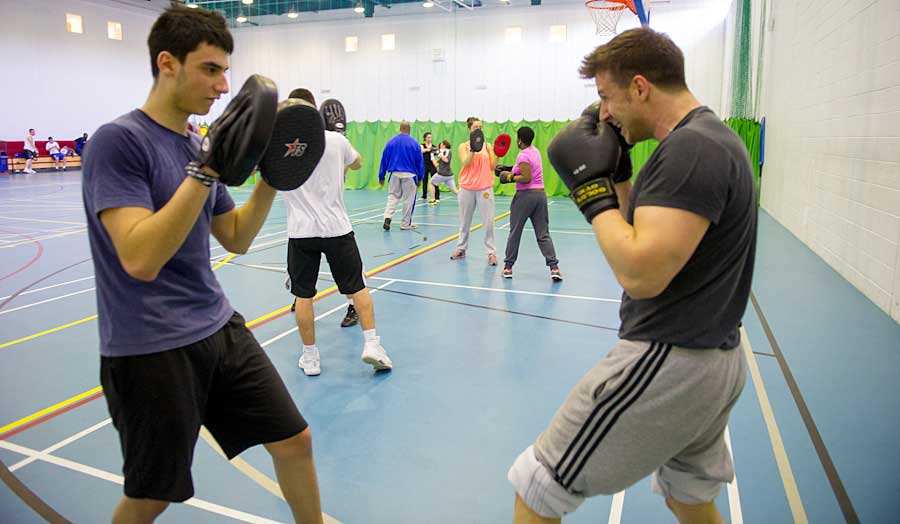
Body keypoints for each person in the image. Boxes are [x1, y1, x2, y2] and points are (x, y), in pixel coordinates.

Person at [81, 5, 323, 524]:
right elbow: (140, 257)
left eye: (225, 72)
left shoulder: (195, 143)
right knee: (153, 493)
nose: (222, 85)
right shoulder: (118, 142)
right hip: (149, 346)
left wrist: (270, 178)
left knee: (294, 439)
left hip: (215, 325)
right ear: (167, 63)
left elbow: (234, 237)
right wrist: (206, 169)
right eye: (210, 69)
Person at [508, 27, 756, 524]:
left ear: (640, 87)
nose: (603, 113)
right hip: (713, 359)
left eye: (606, 97)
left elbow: (640, 274)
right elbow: (643, 234)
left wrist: (589, 192)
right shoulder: (703, 140)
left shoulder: (693, 150)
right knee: (689, 495)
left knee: (538, 484)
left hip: (670, 357)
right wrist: (618, 177)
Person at [283, 88, 392, 376]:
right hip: (337, 229)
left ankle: (311, 358)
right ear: (314, 110)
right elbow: (357, 163)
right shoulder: (335, 140)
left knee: (303, 296)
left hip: (300, 232)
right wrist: (339, 154)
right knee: (357, 286)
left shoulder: (281, 145)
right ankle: (371, 344)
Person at [496, 126, 561, 281]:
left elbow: (526, 177)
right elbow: (524, 169)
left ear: (519, 140)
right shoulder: (535, 151)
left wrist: (509, 178)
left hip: (525, 197)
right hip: (540, 196)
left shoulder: (523, 155)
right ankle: (554, 268)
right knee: (543, 234)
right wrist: (507, 168)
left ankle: (507, 267)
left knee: (515, 232)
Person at [450, 117, 497, 265]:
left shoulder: (488, 146)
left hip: (484, 188)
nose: (479, 130)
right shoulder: (463, 146)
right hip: (467, 189)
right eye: (476, 127)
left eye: (481, 127)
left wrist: (497, 154)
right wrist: (473, 149)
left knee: (488, 222)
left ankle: (491, 253)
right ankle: (461, 249)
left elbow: (492, 166)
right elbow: (466, 162)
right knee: (465, 221)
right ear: (469, 129)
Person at [379, 120, 424, 231]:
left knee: (392, 197)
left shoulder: (391, 142)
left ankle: (388, 217)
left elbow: (384, 159)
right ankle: (405, 224)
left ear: (400, 128)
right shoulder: (415, 143)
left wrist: (381, 175)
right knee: (408, 200)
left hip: (394, 174)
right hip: (410, 175)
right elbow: (420, 162)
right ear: (409, 130)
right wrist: (420, 178)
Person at [428, 139, 458, 205]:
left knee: (431, 183)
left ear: (444, 145)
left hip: (442, 174)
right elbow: (436, 164)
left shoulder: (448, 151)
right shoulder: (442, 152)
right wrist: (432, 157)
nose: (440, 145)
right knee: (454, 190)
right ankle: (465, 198)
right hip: (449, 175)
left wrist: (439, 153)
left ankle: (433, 200)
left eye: (441, 144)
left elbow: (446, 160)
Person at [420, 131, 439, 201]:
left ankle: (437, 196)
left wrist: (437, 151)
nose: (429, 139)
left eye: (430, 137)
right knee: (424, 180)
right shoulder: (422, 145)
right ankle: (424, 195)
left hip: (432, 166)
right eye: (428, 137)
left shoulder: (434, 146)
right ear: (425, 138)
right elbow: (421, 151)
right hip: (424, 165)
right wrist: (428, 149)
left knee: (435, 180)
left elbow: (437, 154)